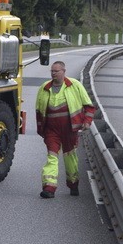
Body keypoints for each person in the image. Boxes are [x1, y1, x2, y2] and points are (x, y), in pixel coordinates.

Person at [35, 60, 95, 199]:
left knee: (70, 159)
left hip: (70, 129)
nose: (53, 73)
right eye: (52, 71)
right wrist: (41, 130)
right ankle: (49, 188)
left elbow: (89, 107)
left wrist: (87, 122)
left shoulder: (74, 85)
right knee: (52, 157)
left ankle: (73, 184)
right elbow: (39, 111)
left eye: (56, 71)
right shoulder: (44, 88)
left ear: (63, 71)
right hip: (52, 131)